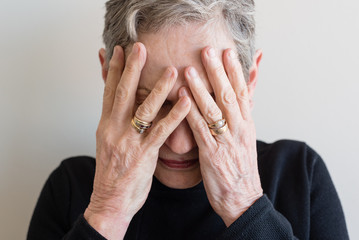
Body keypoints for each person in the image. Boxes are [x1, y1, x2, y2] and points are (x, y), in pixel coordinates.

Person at [27, 0, 349, 239]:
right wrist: (108, 212)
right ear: (108, 77)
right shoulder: (70, 192)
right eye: (149, 103)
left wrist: (245, 204)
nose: (179, 145)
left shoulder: (302, 180)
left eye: (205, 103)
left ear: (249, 82)